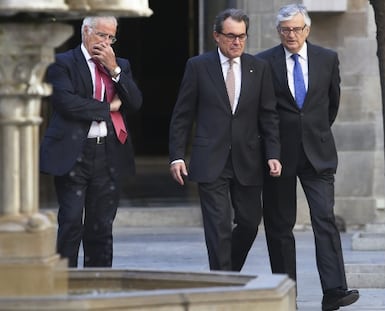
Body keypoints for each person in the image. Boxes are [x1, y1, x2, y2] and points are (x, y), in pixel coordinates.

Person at [256, 4, 359, 311]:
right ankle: (286, 295)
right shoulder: (263, 63)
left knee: (324, 218)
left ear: (307, 30)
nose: (292, 35)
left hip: (318, 153)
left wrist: (312, 132)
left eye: (297, 29)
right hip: (279, 156)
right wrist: (272, 149)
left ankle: (334, 290)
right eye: (286, 29)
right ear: (279, 32)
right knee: (279, 225)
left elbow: (331, 105)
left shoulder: (327, 59)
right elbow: (265, 113)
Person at [169, 8, 282, 272]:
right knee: (218, 226)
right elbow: (182, 115)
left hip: (249, 159)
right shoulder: (198, 67)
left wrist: (273, 153)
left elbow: (269, 116)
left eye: (242, 36)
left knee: (250, 223)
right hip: (210, 159)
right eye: (231, 36)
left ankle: (227, 273)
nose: (237, 42)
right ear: (216, 36)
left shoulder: (259, 67)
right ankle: (224, 285)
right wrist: (176, 155)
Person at [40, 16, 143, 268]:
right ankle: (64, 282)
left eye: (111, 38)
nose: (106, 43)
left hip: (108, 152)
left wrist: (114, 69)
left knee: (101, 226)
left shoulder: (121, 64)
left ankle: (99, 284)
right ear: (86, 31)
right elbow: (66, 103)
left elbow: (135, 103)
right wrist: (108, 107)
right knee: (72, 222)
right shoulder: (63, 62)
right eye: (101, 35)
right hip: (74, 152)